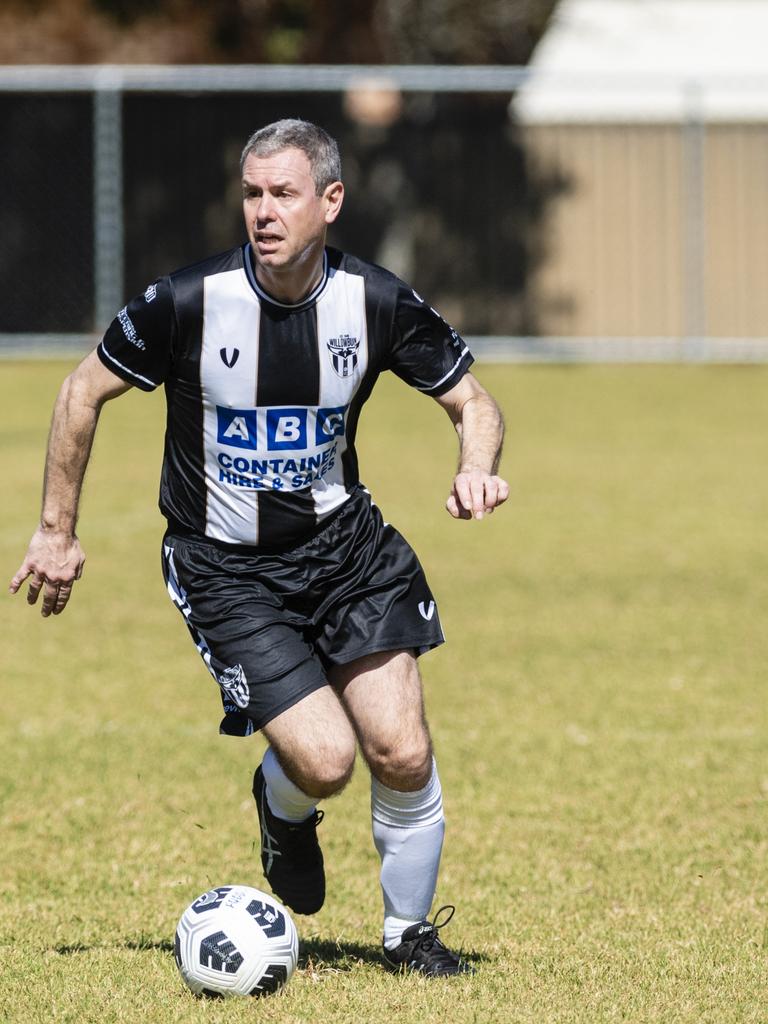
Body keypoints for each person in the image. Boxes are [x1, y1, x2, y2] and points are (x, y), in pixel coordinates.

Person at [10, 119, 508, 977]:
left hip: (349, 553)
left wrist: (476, 468)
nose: (264, 212)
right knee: (326, 763)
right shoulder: (188, 302)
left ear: (331, 201)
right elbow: (80, 392)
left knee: (403, 749)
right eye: (252, 194)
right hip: (225, 568)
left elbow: (474, 401)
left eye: (283, 193)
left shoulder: (375, 301)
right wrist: (56, 532)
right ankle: (283, 811)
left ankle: (409, 938)